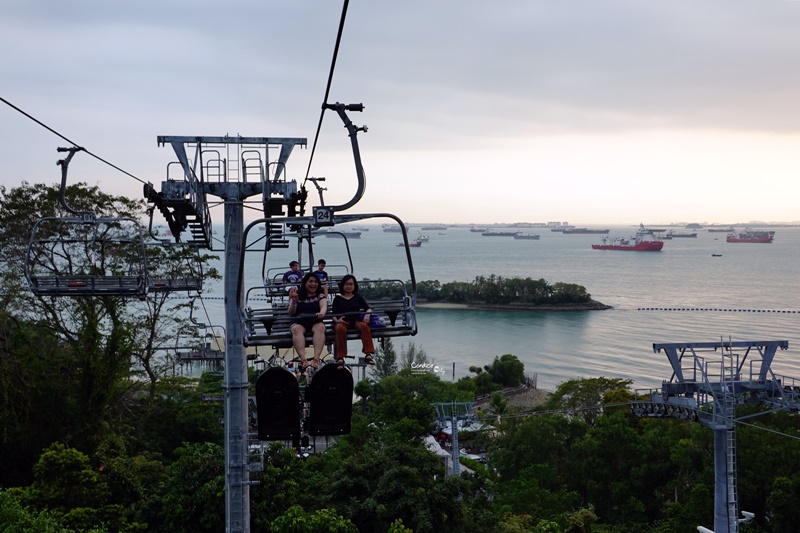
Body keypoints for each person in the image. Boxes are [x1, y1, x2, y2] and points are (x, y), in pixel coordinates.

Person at [288, 272, 328, 373]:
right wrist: (293, 301)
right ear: (305, 283)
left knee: (320, 328)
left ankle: (316, 359)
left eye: (315, 282)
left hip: (315, 320)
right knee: (296, 329)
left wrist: (322, 313)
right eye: (310, 281)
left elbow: (323, 306)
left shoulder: (320, 296)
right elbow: (291, 312)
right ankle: (303, 359)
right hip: (300, 321)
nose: (313, 284)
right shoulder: (298, 295)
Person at [331, 274, 375, 365]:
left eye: (351, 284)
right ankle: (340, 357)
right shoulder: (338, 299)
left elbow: (367, 308)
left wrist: (367, 315)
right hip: (343, 321)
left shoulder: (357, 297)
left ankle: (368, 354)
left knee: (364, 327)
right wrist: (337, 320)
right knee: (340, 329)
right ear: (343, 285)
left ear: (354, 286)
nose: (349, 286)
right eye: (347, 284)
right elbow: (333, 314)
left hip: (355, 320)